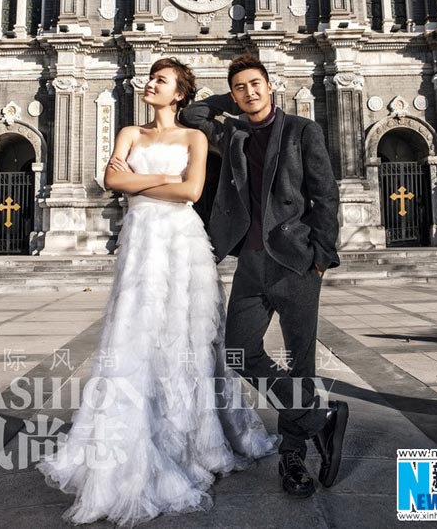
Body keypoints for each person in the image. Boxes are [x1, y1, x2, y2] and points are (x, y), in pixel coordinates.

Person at [37, 57, 277, 526]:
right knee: (136, 331)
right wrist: (163, 180)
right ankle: (133, 432)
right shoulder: (129, 131)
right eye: (151, 78)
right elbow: (112, 181)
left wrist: (144, 184)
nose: (150, 84)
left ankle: (193, 438)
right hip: (142, 240)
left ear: (180, 94)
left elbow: (191, 192)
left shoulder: (194, 137)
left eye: (161, 81)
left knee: (187, 335)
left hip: (183, 244)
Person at [179, 52, 348, 498]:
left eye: (256, 84)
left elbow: (325, 196)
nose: (249, 92)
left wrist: (320, 254)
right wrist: (228, 100)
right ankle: (320, 420)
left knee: (300, 363)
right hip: (250, 263)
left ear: (271, 85)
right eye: (240, 87)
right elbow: (191, 113)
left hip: (295, 261)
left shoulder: (301, 131)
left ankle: (292, 460)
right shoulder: (231, 132)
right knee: (238, 352)